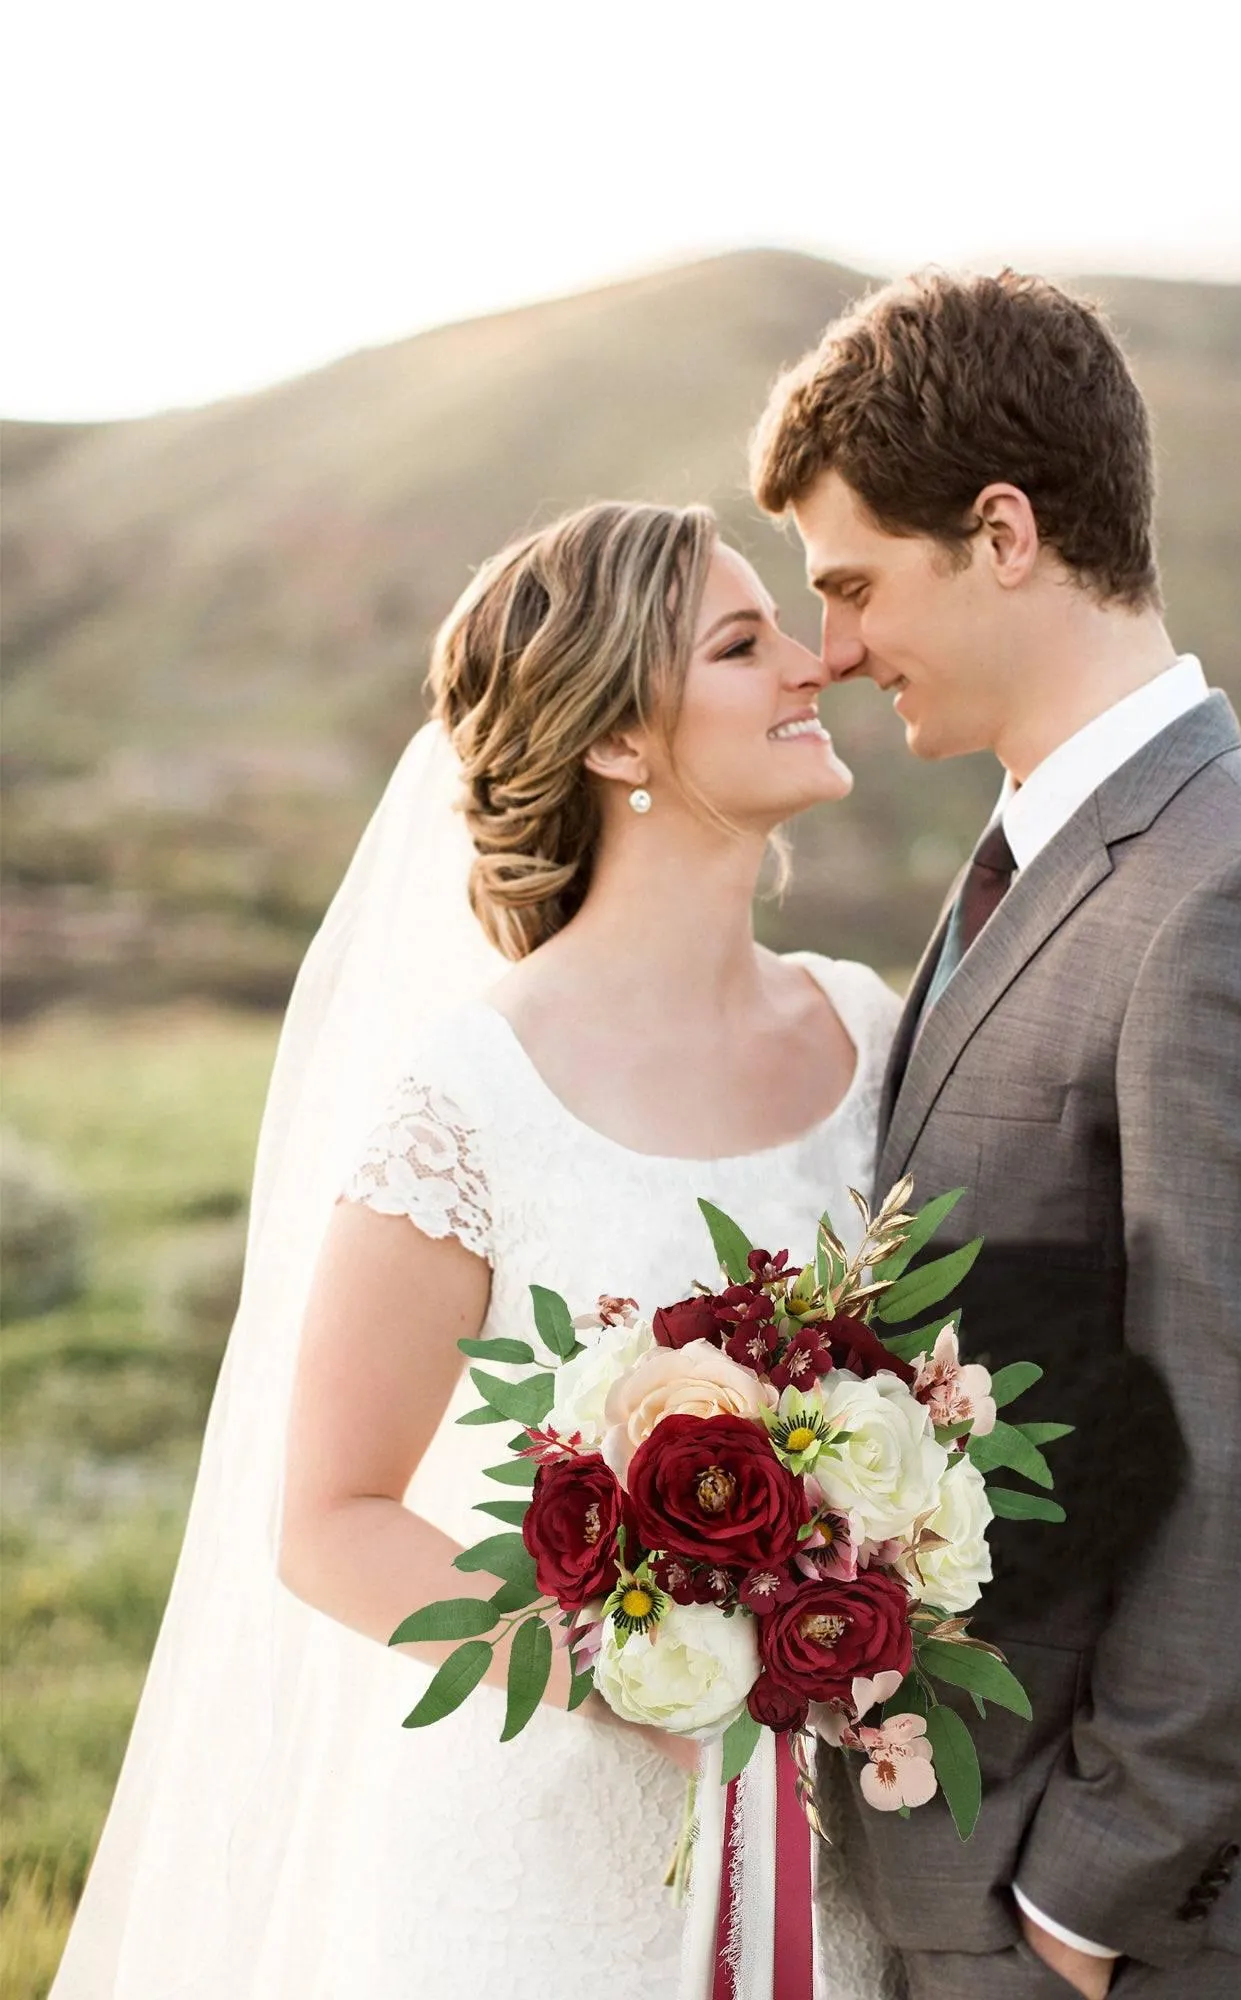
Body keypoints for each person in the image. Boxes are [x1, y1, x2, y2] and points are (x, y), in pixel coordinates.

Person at [50, 501, 902, 1999]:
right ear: (619, 745)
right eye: (740, 643)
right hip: (541, 1875)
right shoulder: (474, 1092)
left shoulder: (868, 1024)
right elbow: (331, 1518)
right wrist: (645, 1672)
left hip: (841, 1859)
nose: (811, 663)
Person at [752, 270, 1241, 2000]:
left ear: (1004, 530)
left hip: (1108, 1903)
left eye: (853, 586)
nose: (828, 651)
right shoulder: (1047, 853)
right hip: (973, 1847)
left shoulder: (1234, 898)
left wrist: (1085, 1901)